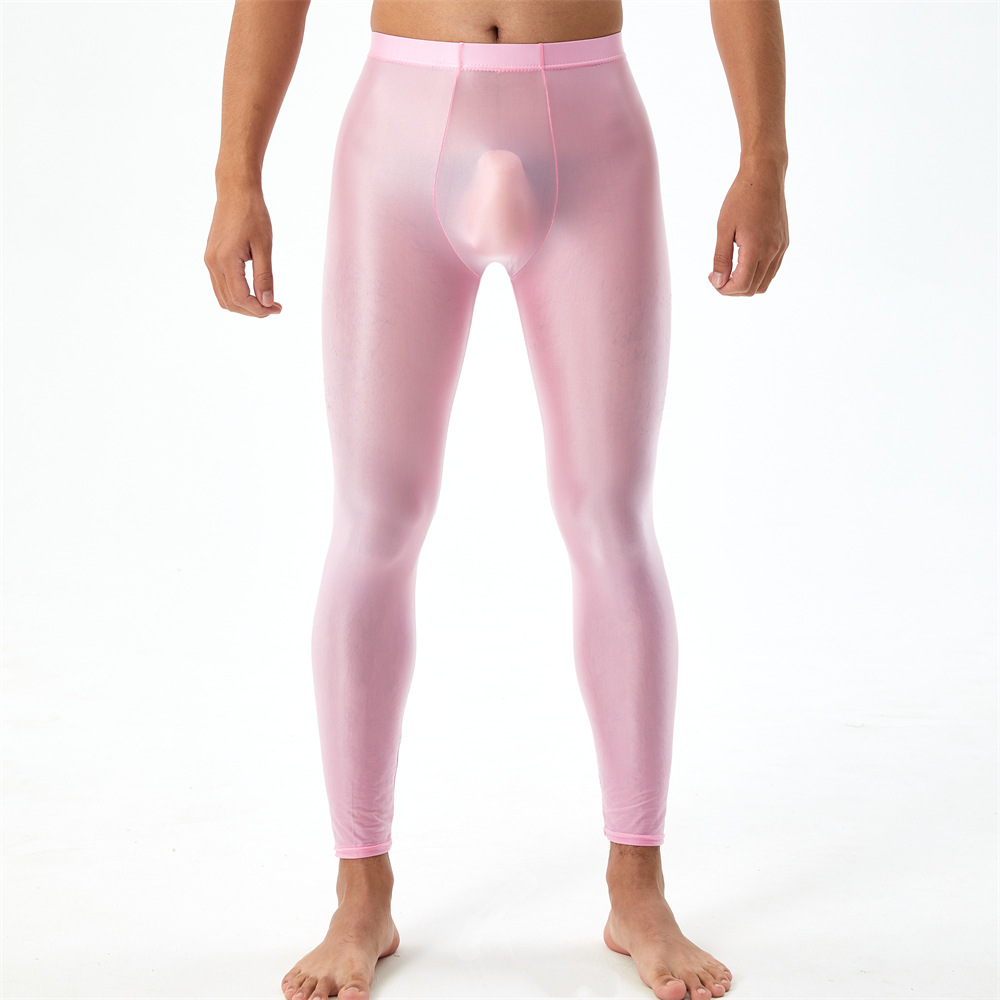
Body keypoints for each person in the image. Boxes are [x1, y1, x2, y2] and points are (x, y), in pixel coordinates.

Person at [204, 1, 788, 998]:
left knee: (611, 520)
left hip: (592, 135)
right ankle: (360, 893)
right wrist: (236, 179)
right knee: (375, 522)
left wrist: (763, 161)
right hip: (400, 136)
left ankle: (637, 887)